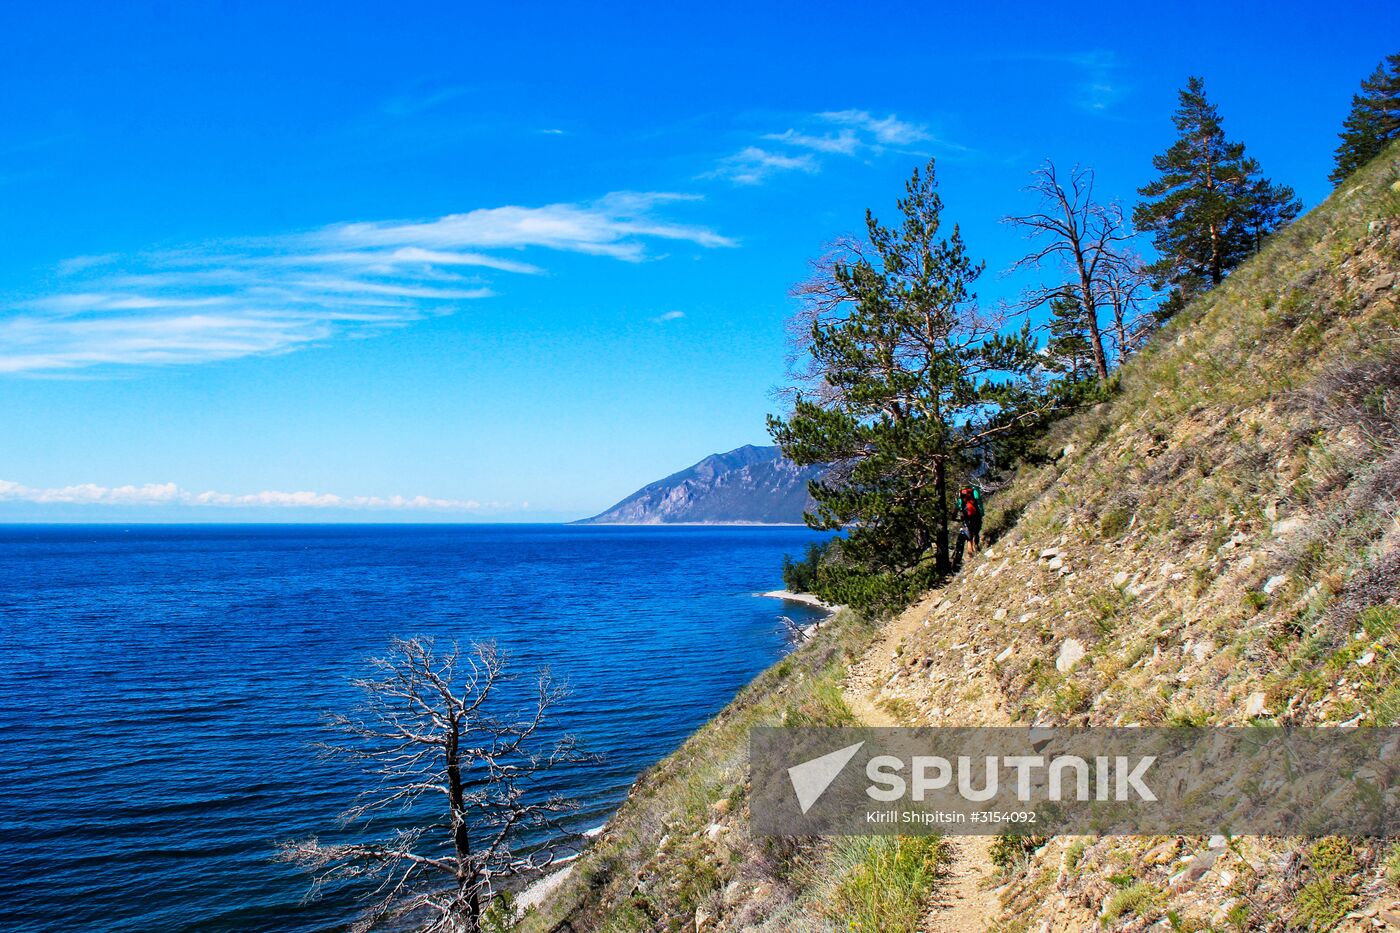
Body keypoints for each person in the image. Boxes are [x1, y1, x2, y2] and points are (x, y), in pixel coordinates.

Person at [952, 484, 983, 570]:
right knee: (976, 532)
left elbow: (956, 510)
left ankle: (970, 554)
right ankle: (976, 547)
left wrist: (953, 517)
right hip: (976, 516)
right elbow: (979, 504)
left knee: (969, 537)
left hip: (967, 519)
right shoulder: (973, 494)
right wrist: (981, 514)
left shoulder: (961, 499)